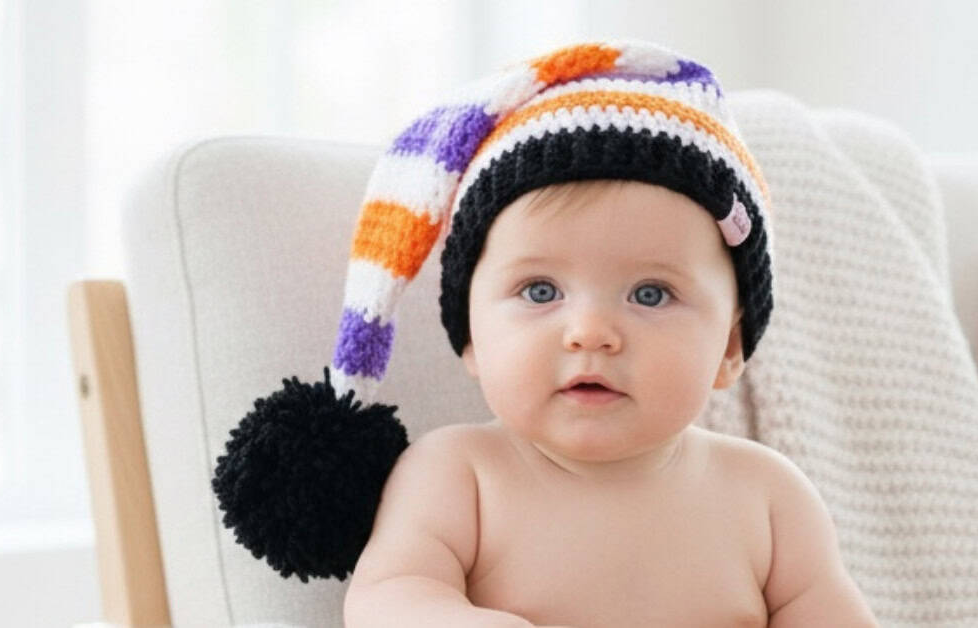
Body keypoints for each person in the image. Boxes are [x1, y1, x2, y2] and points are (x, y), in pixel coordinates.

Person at [337, 40, 880, 627]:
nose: (590, 333)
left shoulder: (769, 498)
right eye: (540, 291)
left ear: (728, 347)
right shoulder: (458, 474)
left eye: (651, 294)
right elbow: (388, 599)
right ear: (470, 332)